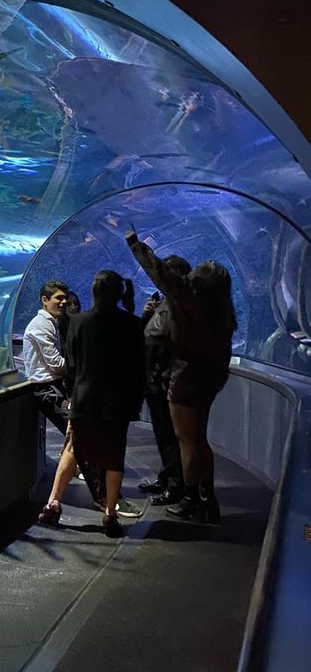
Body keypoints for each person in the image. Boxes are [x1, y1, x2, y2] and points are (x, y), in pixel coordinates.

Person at [126, 230, 237, 522]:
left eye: (194, 275)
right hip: (208, 377)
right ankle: (207, 499)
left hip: (187, 377)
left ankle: (191, 499)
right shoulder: (222, 310)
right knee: (199, 440)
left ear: (199, 283)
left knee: (186, 440)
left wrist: (135, 243)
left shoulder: (192, 304)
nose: (188, 279)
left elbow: (161, 274)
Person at [60, 270, 145, 537]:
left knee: (75, 447)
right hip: (117, 401)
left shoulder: (77, 322)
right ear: (121, 293)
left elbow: (71, 362)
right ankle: (110, 513)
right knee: (114, 456)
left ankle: (53, 501)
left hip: (85, 398)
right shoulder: (132, 324)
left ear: (93, 292)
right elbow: (137, 365)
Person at [22, 281, 104, 518]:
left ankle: (59, 500)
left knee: (76, 440)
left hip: (54, 388)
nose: (64, 302)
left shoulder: (51, 323)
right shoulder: (41, 325)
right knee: (81, 439)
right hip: (47, 390)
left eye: (65, 298)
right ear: (44, 300)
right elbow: (56, 365)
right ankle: (100, 498)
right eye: (58, 298)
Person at [138, 255, 192, 506]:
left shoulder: (182, 306)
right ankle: (167, 475)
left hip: (166, 381)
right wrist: (146, 316)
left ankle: (176, 486)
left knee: (172, 436)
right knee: (162, 433)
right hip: (154, 380)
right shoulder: (166, 302)